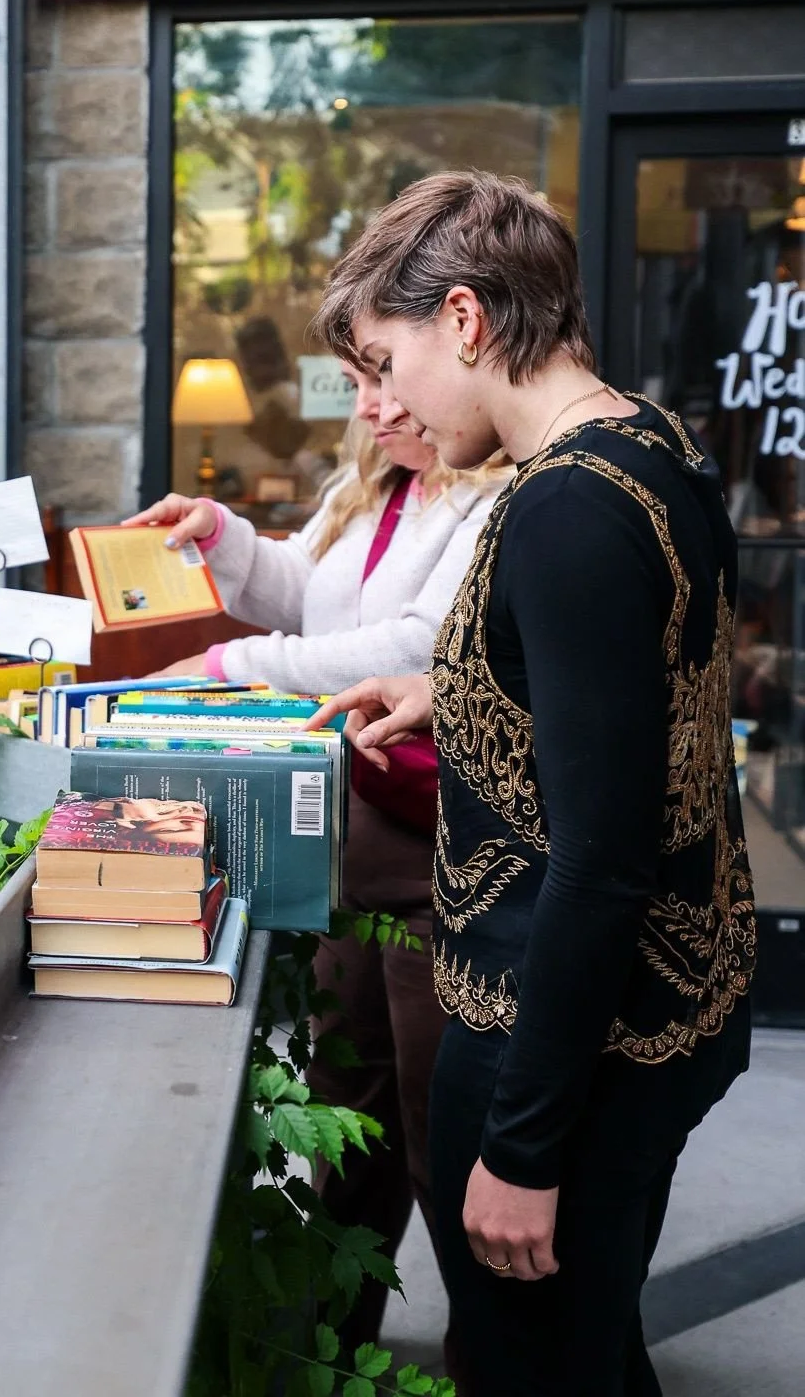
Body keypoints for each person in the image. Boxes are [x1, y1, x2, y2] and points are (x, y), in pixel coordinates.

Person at [308, 171, 756, 1397]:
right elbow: (624, 707)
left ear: (462, 319)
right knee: (592, 1343)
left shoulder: (563, 508)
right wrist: (455, 695)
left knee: (535, 1367)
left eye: (385, 361)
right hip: (658, 1008)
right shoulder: (648, 442)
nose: (381, 401)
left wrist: (520, 1146)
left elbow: (599, 860)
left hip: (561, 1046)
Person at [126, 368, 505, 1360]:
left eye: (387, 376)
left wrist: (231, 667)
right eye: (356, 383)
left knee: (439, 1130)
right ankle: (329, 1346)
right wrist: (222, 536)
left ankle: (501, 1358)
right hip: (361, 824)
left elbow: (420, 642)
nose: (374, 406)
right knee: (346, 1106)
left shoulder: (500, 494)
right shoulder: (379, 484)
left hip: (447, 844)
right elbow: (310, 591)